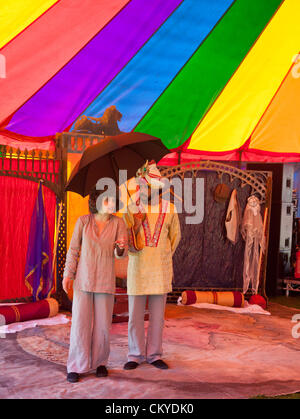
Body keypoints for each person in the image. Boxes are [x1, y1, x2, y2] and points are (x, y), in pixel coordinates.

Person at [63, 187, 128, 383]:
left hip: (105, 281)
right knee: (80, 325)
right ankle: (76, 365)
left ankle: (100, 363)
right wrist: (68, 274)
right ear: (98, 201)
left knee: (102, 326)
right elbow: (73, 250)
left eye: (114, 200)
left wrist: (120, 247)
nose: (112, 204)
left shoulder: (119, 223)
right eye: (108, 200)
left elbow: (122, 254)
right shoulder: (83, 221)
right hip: (83, 281)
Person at [123, 160, 181, 370]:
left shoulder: (170, 209)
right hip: (138, 270)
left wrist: (161, 255)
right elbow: (125, 237)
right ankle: (135, 355)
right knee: (135, 317)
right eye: (144, 185)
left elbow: (174, 239)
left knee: (158, 317)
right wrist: (137, 226)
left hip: (160, 270)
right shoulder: (131, 207)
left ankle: (155, 355)